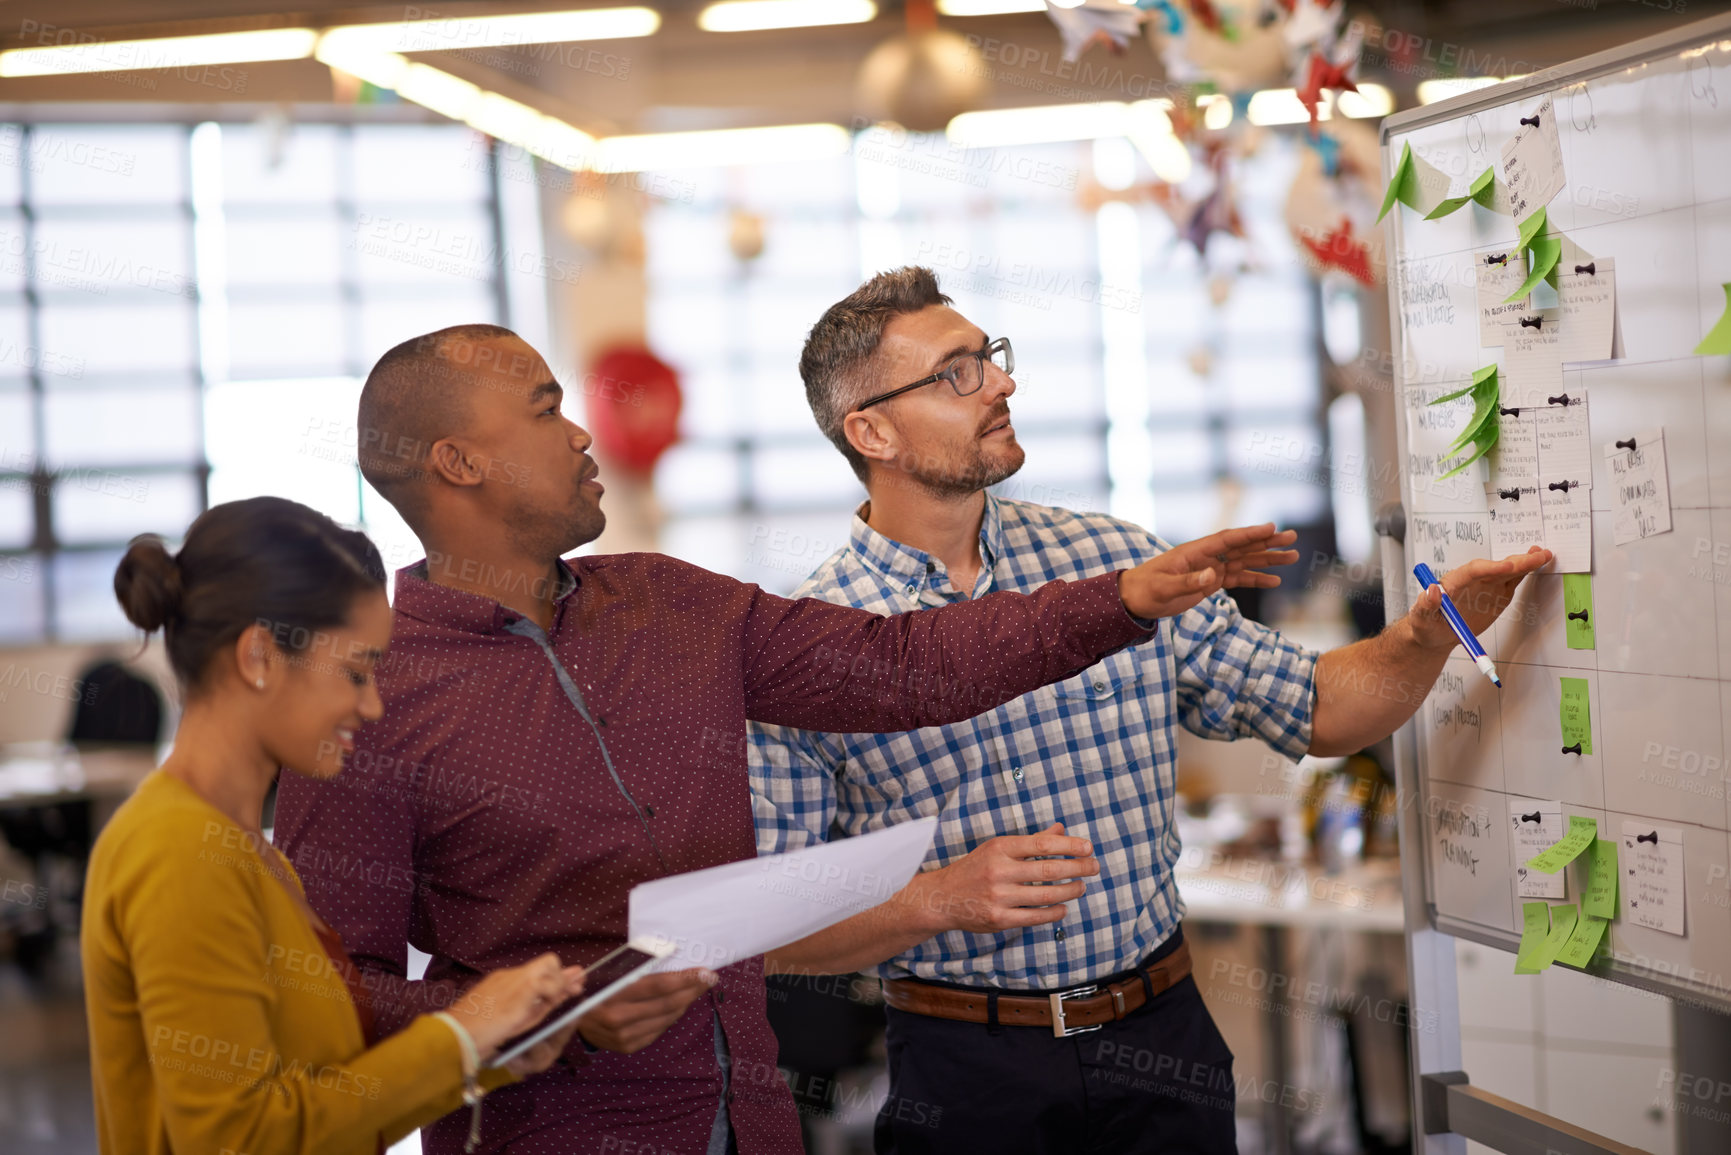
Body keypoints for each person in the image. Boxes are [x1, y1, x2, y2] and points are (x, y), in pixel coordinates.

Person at [270, 323, 1299, 1155]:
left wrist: (1120, 598)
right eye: (546, 411)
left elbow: (910, 665)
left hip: (755, 1122)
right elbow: (326, 1007)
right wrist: (544, 1021)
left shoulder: (671, 604)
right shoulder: (370, 697)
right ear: (459, 462)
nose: (581, 434)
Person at [747, 267, 1552, 1154]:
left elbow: (1317, 705)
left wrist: (1422, 638)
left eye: (991, 357)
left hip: (1161, 1043)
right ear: (872, 430)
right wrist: (937, 899)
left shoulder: (1112, 559)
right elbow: (776, 932)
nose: (1002, 383)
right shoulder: (808, 643)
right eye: (956, 372)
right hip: (966, 1071)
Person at [84, 496, 587, 1155]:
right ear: (259, 655)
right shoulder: (177, 850)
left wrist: (488, 1051)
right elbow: (240, 1139)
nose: (372, 704)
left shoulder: (249, 852)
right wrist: (459, 1032)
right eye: (355, 671)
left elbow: (320, 1101)